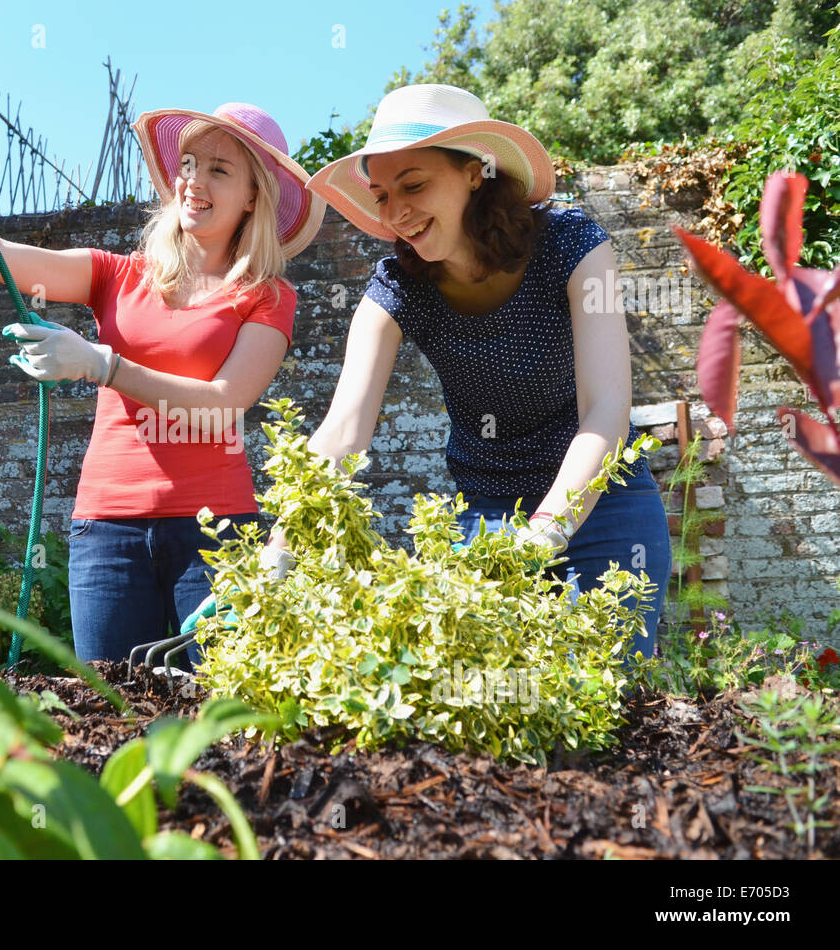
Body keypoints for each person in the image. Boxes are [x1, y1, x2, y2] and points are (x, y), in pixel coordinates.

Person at [0, 97, 325, 665]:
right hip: (107, 533)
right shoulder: (118, 275)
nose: (195, 180)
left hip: (217, 536)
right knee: (112, 717)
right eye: (190, 164)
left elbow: (224, 406)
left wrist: (105, 366)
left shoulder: (267, 297)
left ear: (254, 196)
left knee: (220, 717)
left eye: (219, 170)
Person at [280, 83, 671, 658]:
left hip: (605, 507)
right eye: (383, 194)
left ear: (474, 172)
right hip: (486, 517)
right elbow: (342, 431)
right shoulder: (396, 289)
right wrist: (278, 552)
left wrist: (549, 529)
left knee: (609, 706)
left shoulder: (573, 244)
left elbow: (607, 409)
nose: (397, 213)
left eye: (414, 184)